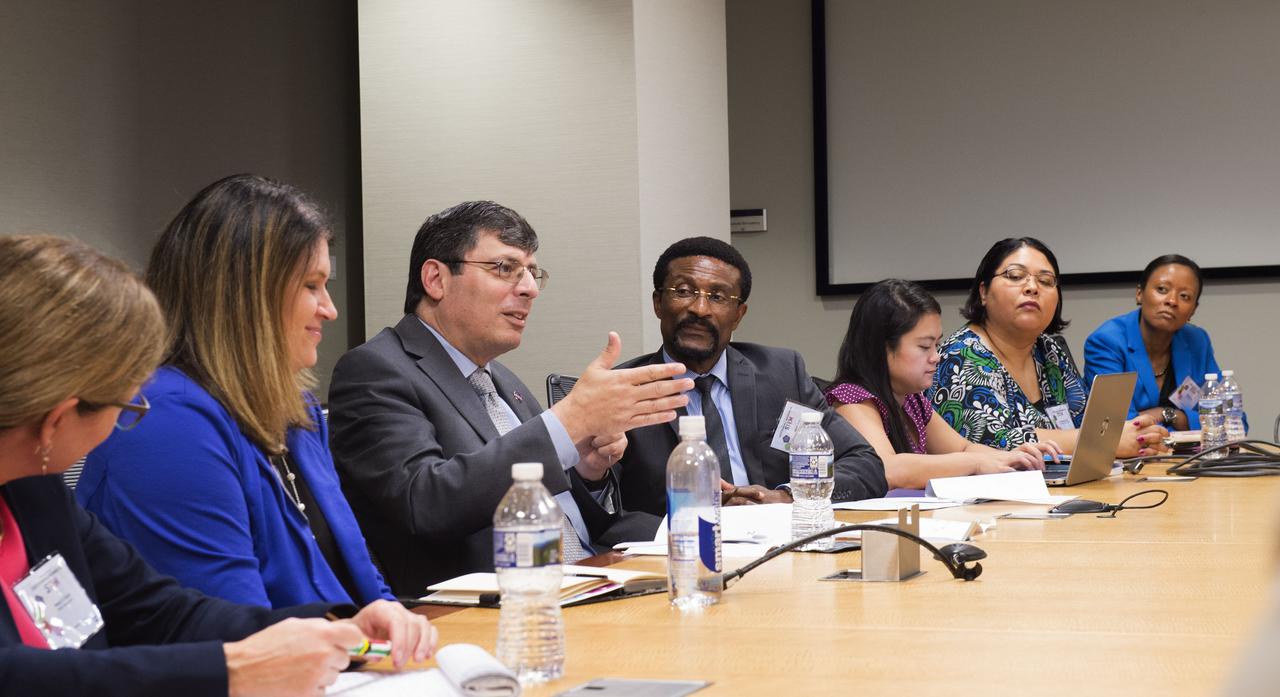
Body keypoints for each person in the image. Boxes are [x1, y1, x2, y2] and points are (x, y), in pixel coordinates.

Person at [0, 234, 434, 696]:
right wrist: (230, 670)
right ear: (56, 422)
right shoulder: (172, 420)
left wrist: (332, 626)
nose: (129, 419)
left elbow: (160, 611)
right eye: (126, 405)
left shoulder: (34, 491)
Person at [328, 201, 691, 595]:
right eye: (505, 268)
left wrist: (590, 472)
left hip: (588, 579)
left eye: (532, 272)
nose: (529, 288)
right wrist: (567, 422)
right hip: (495, 606)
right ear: (435, 279)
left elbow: (573, 517)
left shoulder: (501, 377)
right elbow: (425, 503)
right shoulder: (376, 370)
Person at [78, 175, 392, 609]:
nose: (330, 309)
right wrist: (364, 640)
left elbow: (360, 578)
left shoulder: (296, 411)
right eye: (311, 285)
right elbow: (233, 624)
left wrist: (396, 625)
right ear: (245, 293)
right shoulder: (167, 420)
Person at [614, 237, 887, 516]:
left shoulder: (782, 374)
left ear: (738, 315)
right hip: (677, 540)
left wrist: (787, 497)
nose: (700, 309)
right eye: (684, 291)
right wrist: (694, 517)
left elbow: (865, 463)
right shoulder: (623, 390)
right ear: (658, 303)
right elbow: (602, 511)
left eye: (718, 297)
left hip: (777, 535)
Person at [930, 237, 1168, 457]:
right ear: (983, 292)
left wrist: (1133, 435)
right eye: (1015, 276)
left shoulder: (1048, 349)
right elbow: (991, 442)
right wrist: (1102, 441)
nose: (1032, 287)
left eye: (1045, 281)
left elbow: (1087, 422)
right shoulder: (960, 355)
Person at [827, 280, 1060, 490]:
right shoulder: (852, 401)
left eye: (936, 345)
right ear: (881, 348)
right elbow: (888, 468)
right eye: (924, 347)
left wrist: (1011, 458)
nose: (936, 357)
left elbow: (962, 448)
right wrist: (976, 463)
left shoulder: (911, 398)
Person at [1083, 254, 1241, 432]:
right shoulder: (1107, 342)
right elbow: (1115, 427)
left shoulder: (1197, 341)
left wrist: (1168, 415)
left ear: (1193, 310)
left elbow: (1234, 420)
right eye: (1162, 289)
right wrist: (1193, 422)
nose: (1172, 301)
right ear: (1139, 294)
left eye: (1184, 296)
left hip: (1190, 450)